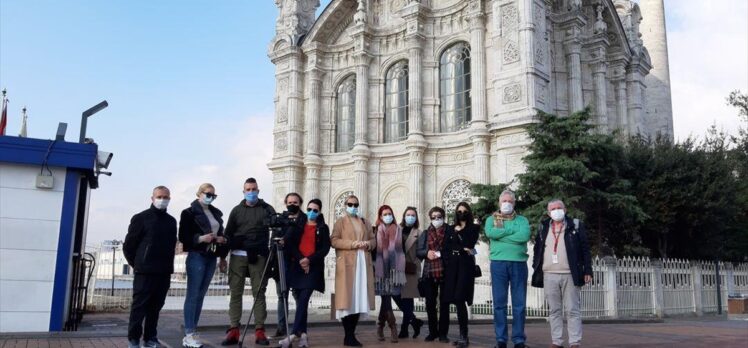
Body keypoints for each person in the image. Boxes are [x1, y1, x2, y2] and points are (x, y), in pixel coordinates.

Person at [222, 178, 277, 346]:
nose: (251, 192)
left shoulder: (267, 209)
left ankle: (260, 331)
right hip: (238, 255)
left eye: (253, 189)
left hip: (259, 256)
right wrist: (222, 257)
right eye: (248, 189)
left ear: (258, 190)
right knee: (235, 293)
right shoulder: (236, 210)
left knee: (259, 293)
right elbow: (228, 234)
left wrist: (271, 255)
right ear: (244, 191)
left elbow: (276, 231)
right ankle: (234, 330)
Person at [531, 199, 592, 348]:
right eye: (553, 209)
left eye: (559, 208)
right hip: (549, 274)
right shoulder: (543, 227)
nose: (556, 211)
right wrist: (536, 265)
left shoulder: (575, 225)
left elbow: (585, 249)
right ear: (548, 212)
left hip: (570, 274)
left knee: (572, 309)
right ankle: (556, 341)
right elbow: (537, 248)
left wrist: (587, 270)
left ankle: (574, 342)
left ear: (565, 210)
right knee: (554, 310)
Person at [123, 186, 177, 348]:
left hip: (164, 271)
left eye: (166, 197)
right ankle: (133, 339)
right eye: (159, 196)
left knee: (155, 308)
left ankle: (150, 338)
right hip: (144, 272)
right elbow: (129, 246)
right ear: (152, 198)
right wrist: (138, 264)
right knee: (139, 308)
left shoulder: (171, 221)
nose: (162, 199)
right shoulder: (141, 218)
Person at [178, 183, 229, 348]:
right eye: (208, 194)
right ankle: (189, 333)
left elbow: (220, 233)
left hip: (211, 256)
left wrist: (220, 242)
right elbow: (183, 236)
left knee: (200, 295)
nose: (210, 197)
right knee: (193, 294)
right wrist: (201, 238)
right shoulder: (188, 213)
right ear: (199, 193)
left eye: (213, 195)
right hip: (197, 256)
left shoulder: (215, 213)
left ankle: (192, 330)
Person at [279, 198, 331, 348]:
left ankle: (293, 334)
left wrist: (309, 260)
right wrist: (302, 259)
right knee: (302, 303)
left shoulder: (323, 227)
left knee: (303, 300)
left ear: (319, 212)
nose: (311, 212)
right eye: (309, 209)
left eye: (315, 210)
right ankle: (304, 335)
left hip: (313, 268)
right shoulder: (298, 225)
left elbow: (325, 249)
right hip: (298, 267)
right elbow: (291, 244)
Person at [484, 190, 531, 348]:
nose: (506, 203)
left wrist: (501, 234)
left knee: (519, 304)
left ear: (514, 203)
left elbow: (523, 237)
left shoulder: (522, 220)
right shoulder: (491, 219)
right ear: (499, 203)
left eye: (510, 201)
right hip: (498, 264)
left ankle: (518, 339)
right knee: (499, 303)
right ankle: (501, 339)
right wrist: (512, 232)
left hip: (518, 263)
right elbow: (490, 233)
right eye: (504, 201)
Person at [331, 194, 376, 347]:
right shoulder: (340, 222)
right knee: (347, 300)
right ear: (345, 205)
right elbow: (334, 240)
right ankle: (348, 335)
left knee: (359, 299)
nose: (353, 207)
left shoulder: (365, 222)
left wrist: (368, 244)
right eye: (350, 204)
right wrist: (353, 244)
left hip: (363, 263)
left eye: (356, 204)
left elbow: (373, 240)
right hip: (347, 265)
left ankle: (351, 334)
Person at [442, 202, 479, 348]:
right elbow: (446, 246)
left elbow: (471, 244)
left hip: (465, 267)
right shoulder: (450, 228)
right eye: (459, 211)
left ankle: (464, 335)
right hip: (452, 267)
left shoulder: (473, 228)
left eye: (464, 211)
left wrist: (458, 234)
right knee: (455, 301)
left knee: (460, 298)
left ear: (468, 213)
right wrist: (460, 248)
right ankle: (462, 335)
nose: (461, 213)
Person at [272, 192, 306, 339]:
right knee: (282, 295)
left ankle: (299, 328)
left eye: (295, 202)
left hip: (298, 260)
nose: (292, 205)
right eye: (290, 202)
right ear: (286, 203)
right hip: (282, 259)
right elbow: (274, 237)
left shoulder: (305, 219)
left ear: (300, 203)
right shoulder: (281, 218)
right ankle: (281, 327)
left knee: (299, 295)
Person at [416, 206, 450, 343]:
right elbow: (419, 251)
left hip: (446, 271)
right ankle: (432, 332)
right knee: (430, 304)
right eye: (434, 217)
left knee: (444, 304)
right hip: (429, 272)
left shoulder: (449, 231)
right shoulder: (425, 233)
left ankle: (443, 334)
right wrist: (426, 253)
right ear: (430, 218)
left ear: (443, 217)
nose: (436, 219)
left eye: (439, 217)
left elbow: (453, 249)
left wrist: (442, 253)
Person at [373, 205, 406, 343]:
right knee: (386, 299)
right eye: (385, 214)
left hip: (395, 270)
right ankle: (393, 327)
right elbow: (375, 251)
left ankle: (380, 325)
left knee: (386, 300)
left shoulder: (398, 229)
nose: (388, 216)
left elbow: (400, 250)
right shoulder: (377, 230)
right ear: (380, 216)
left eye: (389, 213)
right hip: (381, 270)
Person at [391, 207, 425, 339]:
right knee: (394, 294)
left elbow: (422, 251)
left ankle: (404, 329)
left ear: (416, 218)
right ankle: (415, 321)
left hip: (411, 268)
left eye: (413, 215)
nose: (410, 217)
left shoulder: (419, 233)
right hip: (397, 267)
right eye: (408, 214)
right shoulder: (396, 230)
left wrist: (416, 262)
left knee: (407, 298)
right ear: (404, 216)